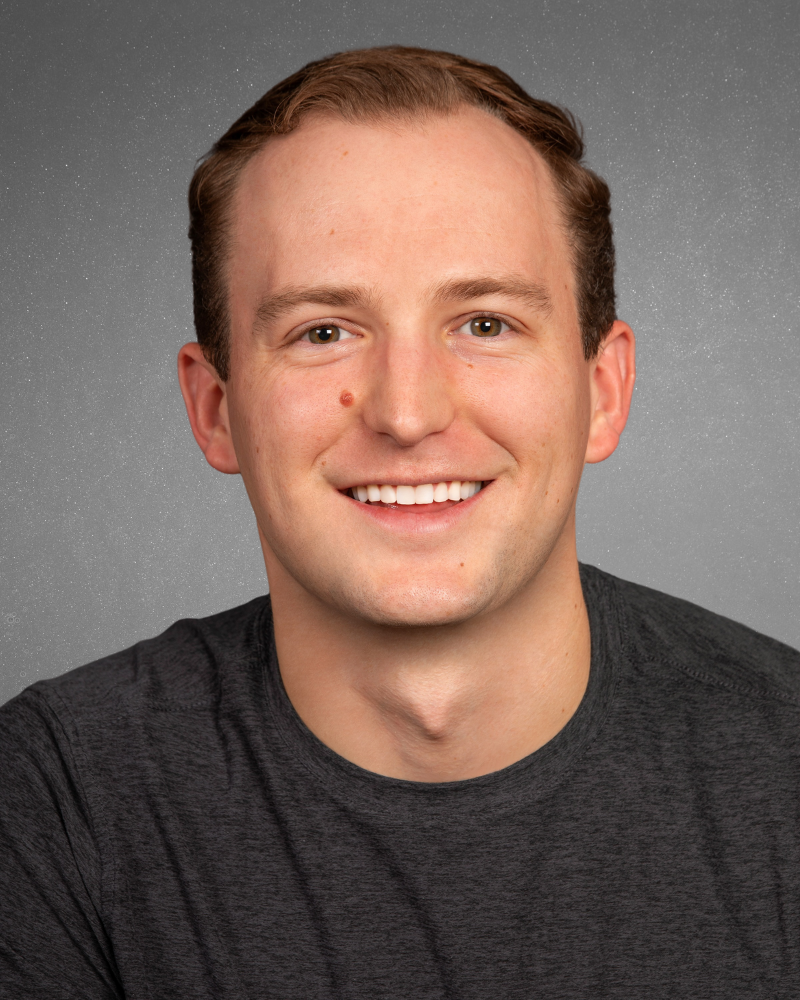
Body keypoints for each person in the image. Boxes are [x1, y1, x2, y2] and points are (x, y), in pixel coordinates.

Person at [1, 45, 798, 999]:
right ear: (215, 409)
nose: (408, 413)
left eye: (487, 323)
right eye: (323, 333)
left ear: (604, 389)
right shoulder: (54, 800)